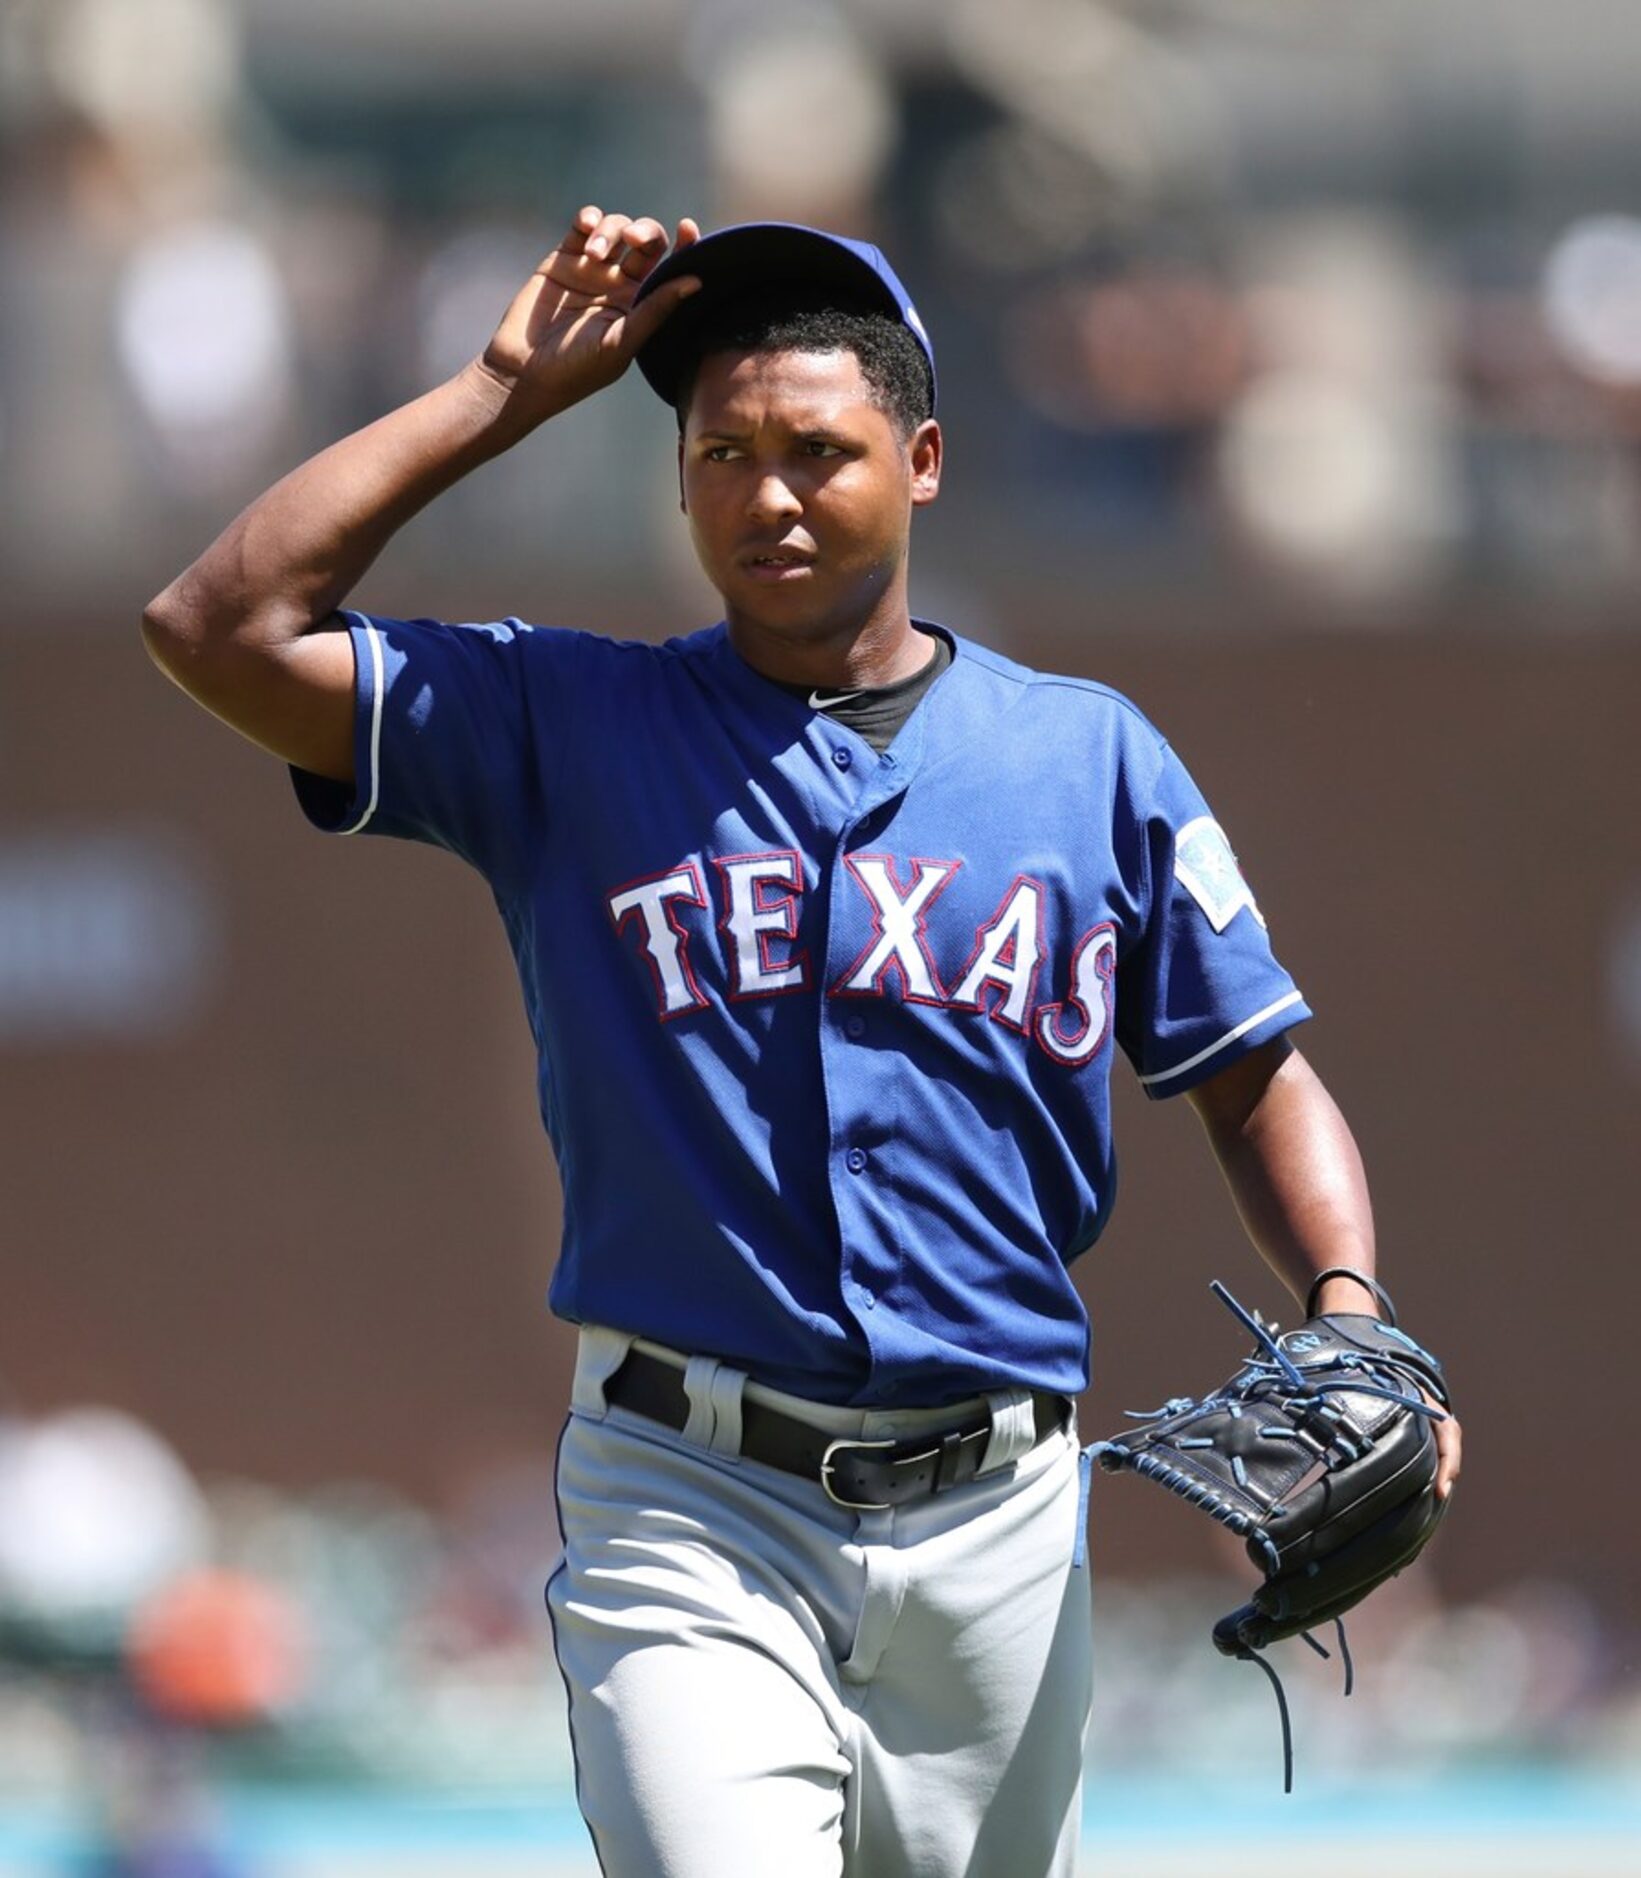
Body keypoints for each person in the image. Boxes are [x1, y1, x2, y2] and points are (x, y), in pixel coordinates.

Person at [142, 205, 1461, 1877]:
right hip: (691, 1501)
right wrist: (496, 392)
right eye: (721, 451)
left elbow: (1251, 1069)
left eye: (815, 450)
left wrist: (1350, 1306)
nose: (763, 492)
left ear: (918, 459)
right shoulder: (564, 719)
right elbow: (217, 627)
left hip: (998, 1515)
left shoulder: (1089, 761)